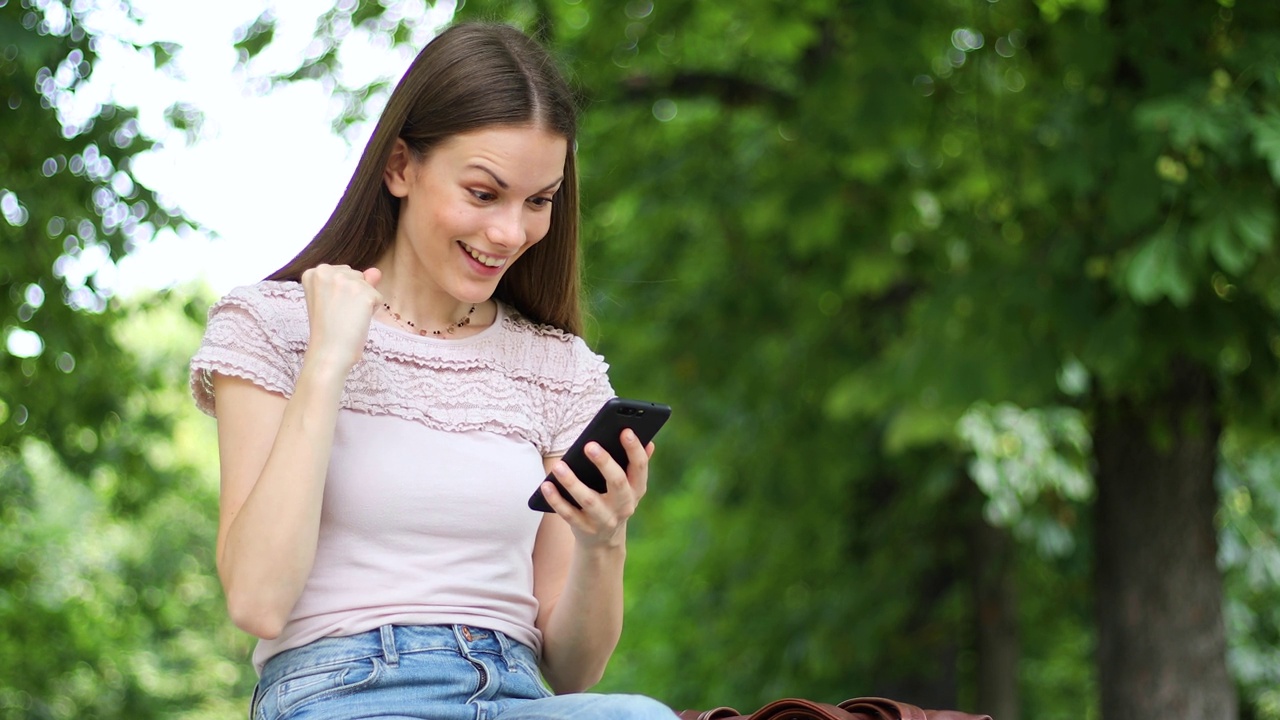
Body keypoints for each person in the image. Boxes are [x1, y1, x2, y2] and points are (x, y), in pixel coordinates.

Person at [189, 21, 676, 720]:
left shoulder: (555, 369)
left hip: (513, 694)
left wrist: (605, 540)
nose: (511, 232)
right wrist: (327, 364)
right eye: (484, 194)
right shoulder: (273, 327)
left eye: (538, 201)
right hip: (342, 693)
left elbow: (571, 673)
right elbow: (258, 601)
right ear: (400, 167)